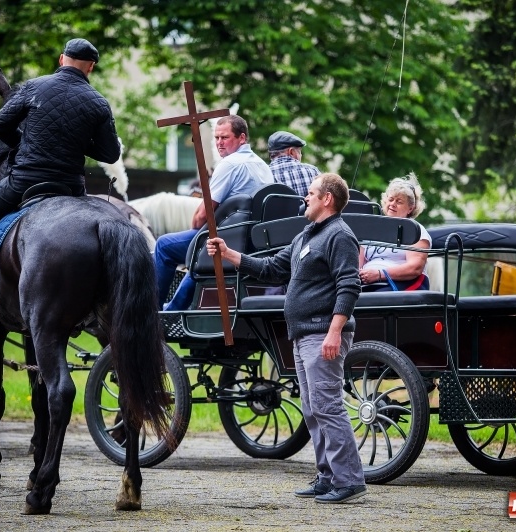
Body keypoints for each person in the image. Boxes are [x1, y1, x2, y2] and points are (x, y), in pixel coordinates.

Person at [206, 173, 367, 504]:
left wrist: (334, 331)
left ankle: (349, 480)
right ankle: (327, 477)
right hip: (304, 334)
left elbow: (349, 285)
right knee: (312, 409)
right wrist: (229, 254)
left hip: (322, 332)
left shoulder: (339, 235)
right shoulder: (307, 235)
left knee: (327, 406)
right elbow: (271, 268)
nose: (305, 198)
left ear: (327, 199)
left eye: (310, 193)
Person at [0, 38, 120, 323]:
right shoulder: (98, 103)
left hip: (24, 182)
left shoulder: (33, 87)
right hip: (70, 188)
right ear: (90, 67)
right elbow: (110, 153)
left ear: (61, 59)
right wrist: (78, 143)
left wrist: (24, 142)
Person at [157, 114, 273, 310]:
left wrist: (196, 227)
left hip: (228, 241)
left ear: (242, 138)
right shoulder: (263, 165)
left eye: (225, 137)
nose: (219, 143)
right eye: (217, 138)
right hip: (255, 242)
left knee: (164, 245)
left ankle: (151, 312)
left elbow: (202, 215)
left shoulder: (229, 164)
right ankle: (174, 309)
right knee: (200, 253)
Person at [359, 173, 431, 291]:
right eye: (390, 199)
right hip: (366, 283)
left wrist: (379, 274)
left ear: (410, 208)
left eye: (399, 202)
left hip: (399, 283)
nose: (392, 204)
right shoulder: (371, 228)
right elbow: (357, 263)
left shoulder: (414, 230)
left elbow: (415, 268)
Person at [267, 131, 320, 197]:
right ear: (291, 152)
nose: (301, 155)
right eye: (300, 152)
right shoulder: (312, 171)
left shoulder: (264, 174)